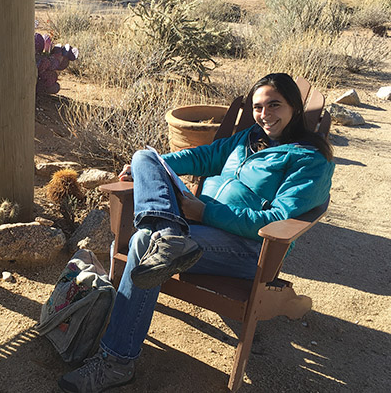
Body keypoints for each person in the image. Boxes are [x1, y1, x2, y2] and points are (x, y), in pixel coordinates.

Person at [59, 73, 335, 392]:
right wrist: (153, 167)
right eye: (258, 107)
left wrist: (204, 212)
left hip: (249, 249)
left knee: (141, 243)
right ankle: (166, 234)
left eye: (275, 105)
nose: (265, 114)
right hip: (198, 228)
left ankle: (116, 362)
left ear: (294, 108)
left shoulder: (309, 158)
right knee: (144, 157)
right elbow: (203, 157)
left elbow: (277, 218)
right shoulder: (248, 138)